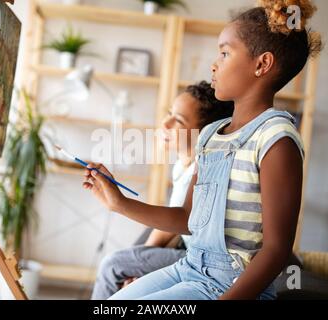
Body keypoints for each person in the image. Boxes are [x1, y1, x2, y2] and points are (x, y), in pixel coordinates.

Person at [83, 0, 322, 300]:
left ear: (262, 64)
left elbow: (276, 251)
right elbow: (187, 218)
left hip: (232, 285)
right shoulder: (210, 135)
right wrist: (119, 203)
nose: (214, 64)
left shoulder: (277, 139)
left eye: (224, 53)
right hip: (190, 268)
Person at [91, 81, 234, 300]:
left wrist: (137, 265)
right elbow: (167, 227)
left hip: (199, 259)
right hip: (185, 250)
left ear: (203, 133)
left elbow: (176, 223)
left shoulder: (201, 170)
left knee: (113, 264)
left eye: (178, 120)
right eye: (169, 113)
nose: (165, 123)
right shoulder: (183, 164)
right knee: (126, 258)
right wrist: (138, 263)